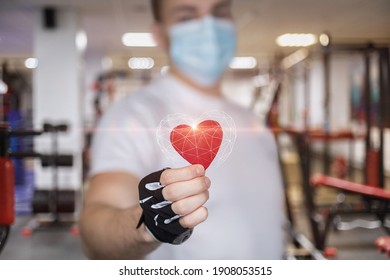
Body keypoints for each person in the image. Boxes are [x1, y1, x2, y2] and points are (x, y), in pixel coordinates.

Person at [79, 0, 285, 260]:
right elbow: (94, 233)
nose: (209, 27)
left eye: (219, 12)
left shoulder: (250, 123)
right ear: (160, 34)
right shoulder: (133, 117)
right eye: (187, 17)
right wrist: (148, 227)